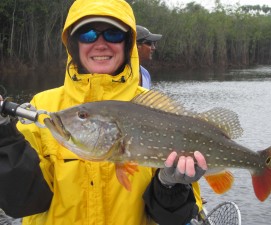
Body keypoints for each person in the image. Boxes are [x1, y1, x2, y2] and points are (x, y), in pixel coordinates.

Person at [0, 0, 207, 224]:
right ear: (73, 44)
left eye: (113, 34)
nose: (100, 44)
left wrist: (171, 185)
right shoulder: (42, 105)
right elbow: (20, 203)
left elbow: (175, 218)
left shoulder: (156, 111)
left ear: (128, 43)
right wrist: (3, 135)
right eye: (87, 34)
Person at [136, 25, 162, 89]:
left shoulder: (146, 74)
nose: (153, 48)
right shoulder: (118, 74)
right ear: (136, 45)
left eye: (154, 44)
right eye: (149, 43)